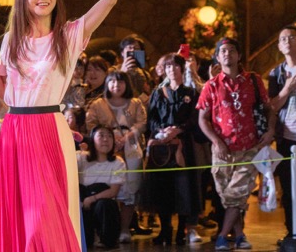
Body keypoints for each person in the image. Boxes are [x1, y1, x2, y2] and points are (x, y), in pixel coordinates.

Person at [0, 0, 136, 251]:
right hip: (15, 128)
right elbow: (7, 95)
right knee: (22, 212)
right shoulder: (11, 40)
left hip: (49, 127)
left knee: (47, 212)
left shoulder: (69, 35)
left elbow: (109, 0)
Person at [197, 37, 275, 251]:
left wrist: (270, 130)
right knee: (228, 196)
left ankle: (222, 236)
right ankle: (240, 235)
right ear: (217, 56)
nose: (227, 54)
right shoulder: (211, 85)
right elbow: (202, 119)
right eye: (223, 51)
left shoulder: (254, 80)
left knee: (236, 193)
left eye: (231, 50)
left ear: (239, 55)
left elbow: (268, 108)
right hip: (222, 150)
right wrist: (216, 141)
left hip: (250, 146)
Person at [142, 53, 202, 245]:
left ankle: (181, 230)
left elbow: (195, 119)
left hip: (183, 145)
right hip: (162, 144)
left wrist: (179, 129)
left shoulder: (191, 93)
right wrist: (162, 130)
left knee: (184, 187)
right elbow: (151, 118)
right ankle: (165, 229)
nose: (172, 70)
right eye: (168, 67)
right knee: (162, 187)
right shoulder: (158, 93)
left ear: (182, 69)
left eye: (176, 66)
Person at [85, 69, 146, 243]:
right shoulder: (98, 104)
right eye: (112, 81)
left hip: (130, 148)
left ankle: (125, 228)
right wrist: (108, 136)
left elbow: (142, 123)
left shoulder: (135, 103)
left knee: (130, 188)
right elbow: (91, 124)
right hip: (105, 148)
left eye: (120, 82)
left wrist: (128, 136)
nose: (116, 85)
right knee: (105, 186)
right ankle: (104, 229)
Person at [267, 25, 296, 241]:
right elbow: (272, 106)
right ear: (279, 46)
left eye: (292, 37)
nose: (287, 41)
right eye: (283, 39)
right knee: (289, 187)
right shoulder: (276, 74)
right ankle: (293, 232)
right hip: (286, 138)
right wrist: (287, 88)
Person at [77, 125, 125, 249]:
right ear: (92, 139)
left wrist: (92, 199)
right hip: (82, 201)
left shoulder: (117, 162)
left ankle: (106, 239)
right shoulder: (81, 158)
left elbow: (113, 191)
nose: (106, 140)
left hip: (102, 203)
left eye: (109, 136)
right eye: (101, 135)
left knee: (105, 204)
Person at [118, 34, 152, 102]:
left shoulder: (145, 74)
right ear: (122, 52)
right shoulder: (113, 71)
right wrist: (122, 72)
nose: (133, 50)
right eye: (129, 47)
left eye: (136, 48)